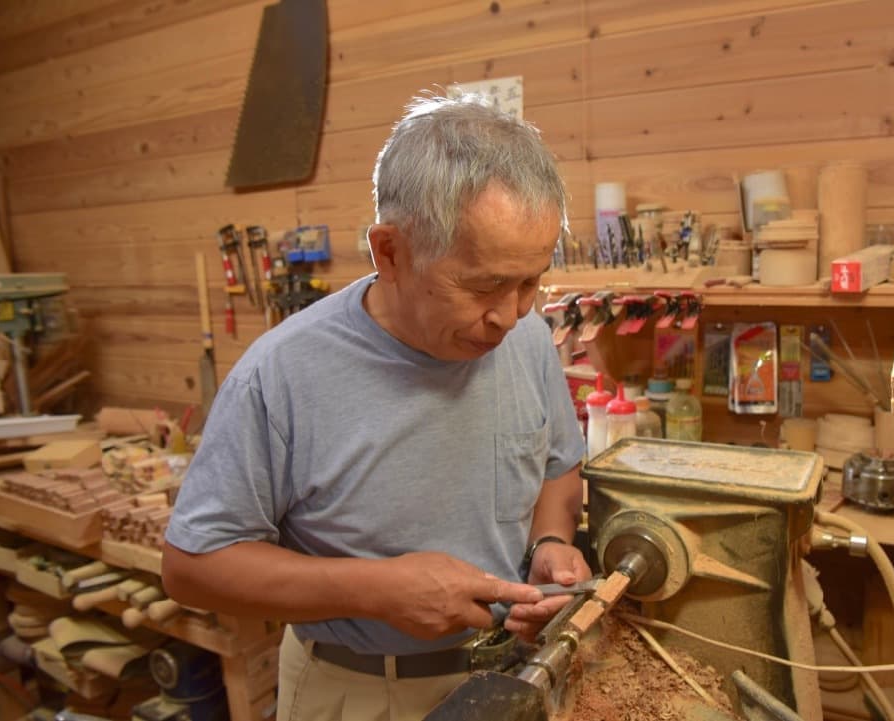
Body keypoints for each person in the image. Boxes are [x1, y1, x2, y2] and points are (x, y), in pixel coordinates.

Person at [161, 93, 590, 721]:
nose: (510, 313)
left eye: (530, 280)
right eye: (483, 285)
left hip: (514, 674)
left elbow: (557, 461)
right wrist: (376, 591)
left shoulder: (524, 334)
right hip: (360, 692)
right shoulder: (282, 374)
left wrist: (551, 538)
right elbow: (192, 567)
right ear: (388, 252)